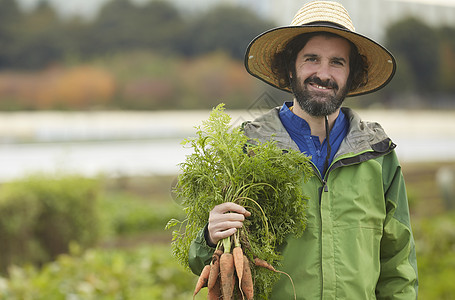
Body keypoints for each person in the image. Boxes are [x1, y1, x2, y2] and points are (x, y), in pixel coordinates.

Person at [188, 1, 418, 299]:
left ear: (352, 74)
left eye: (337, 62)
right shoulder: (247, 149)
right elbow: (202, 260)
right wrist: (209, 236)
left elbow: (398, 265)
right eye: (311, 59)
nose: (323, 74)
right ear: (290, 67)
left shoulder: (378, 153)